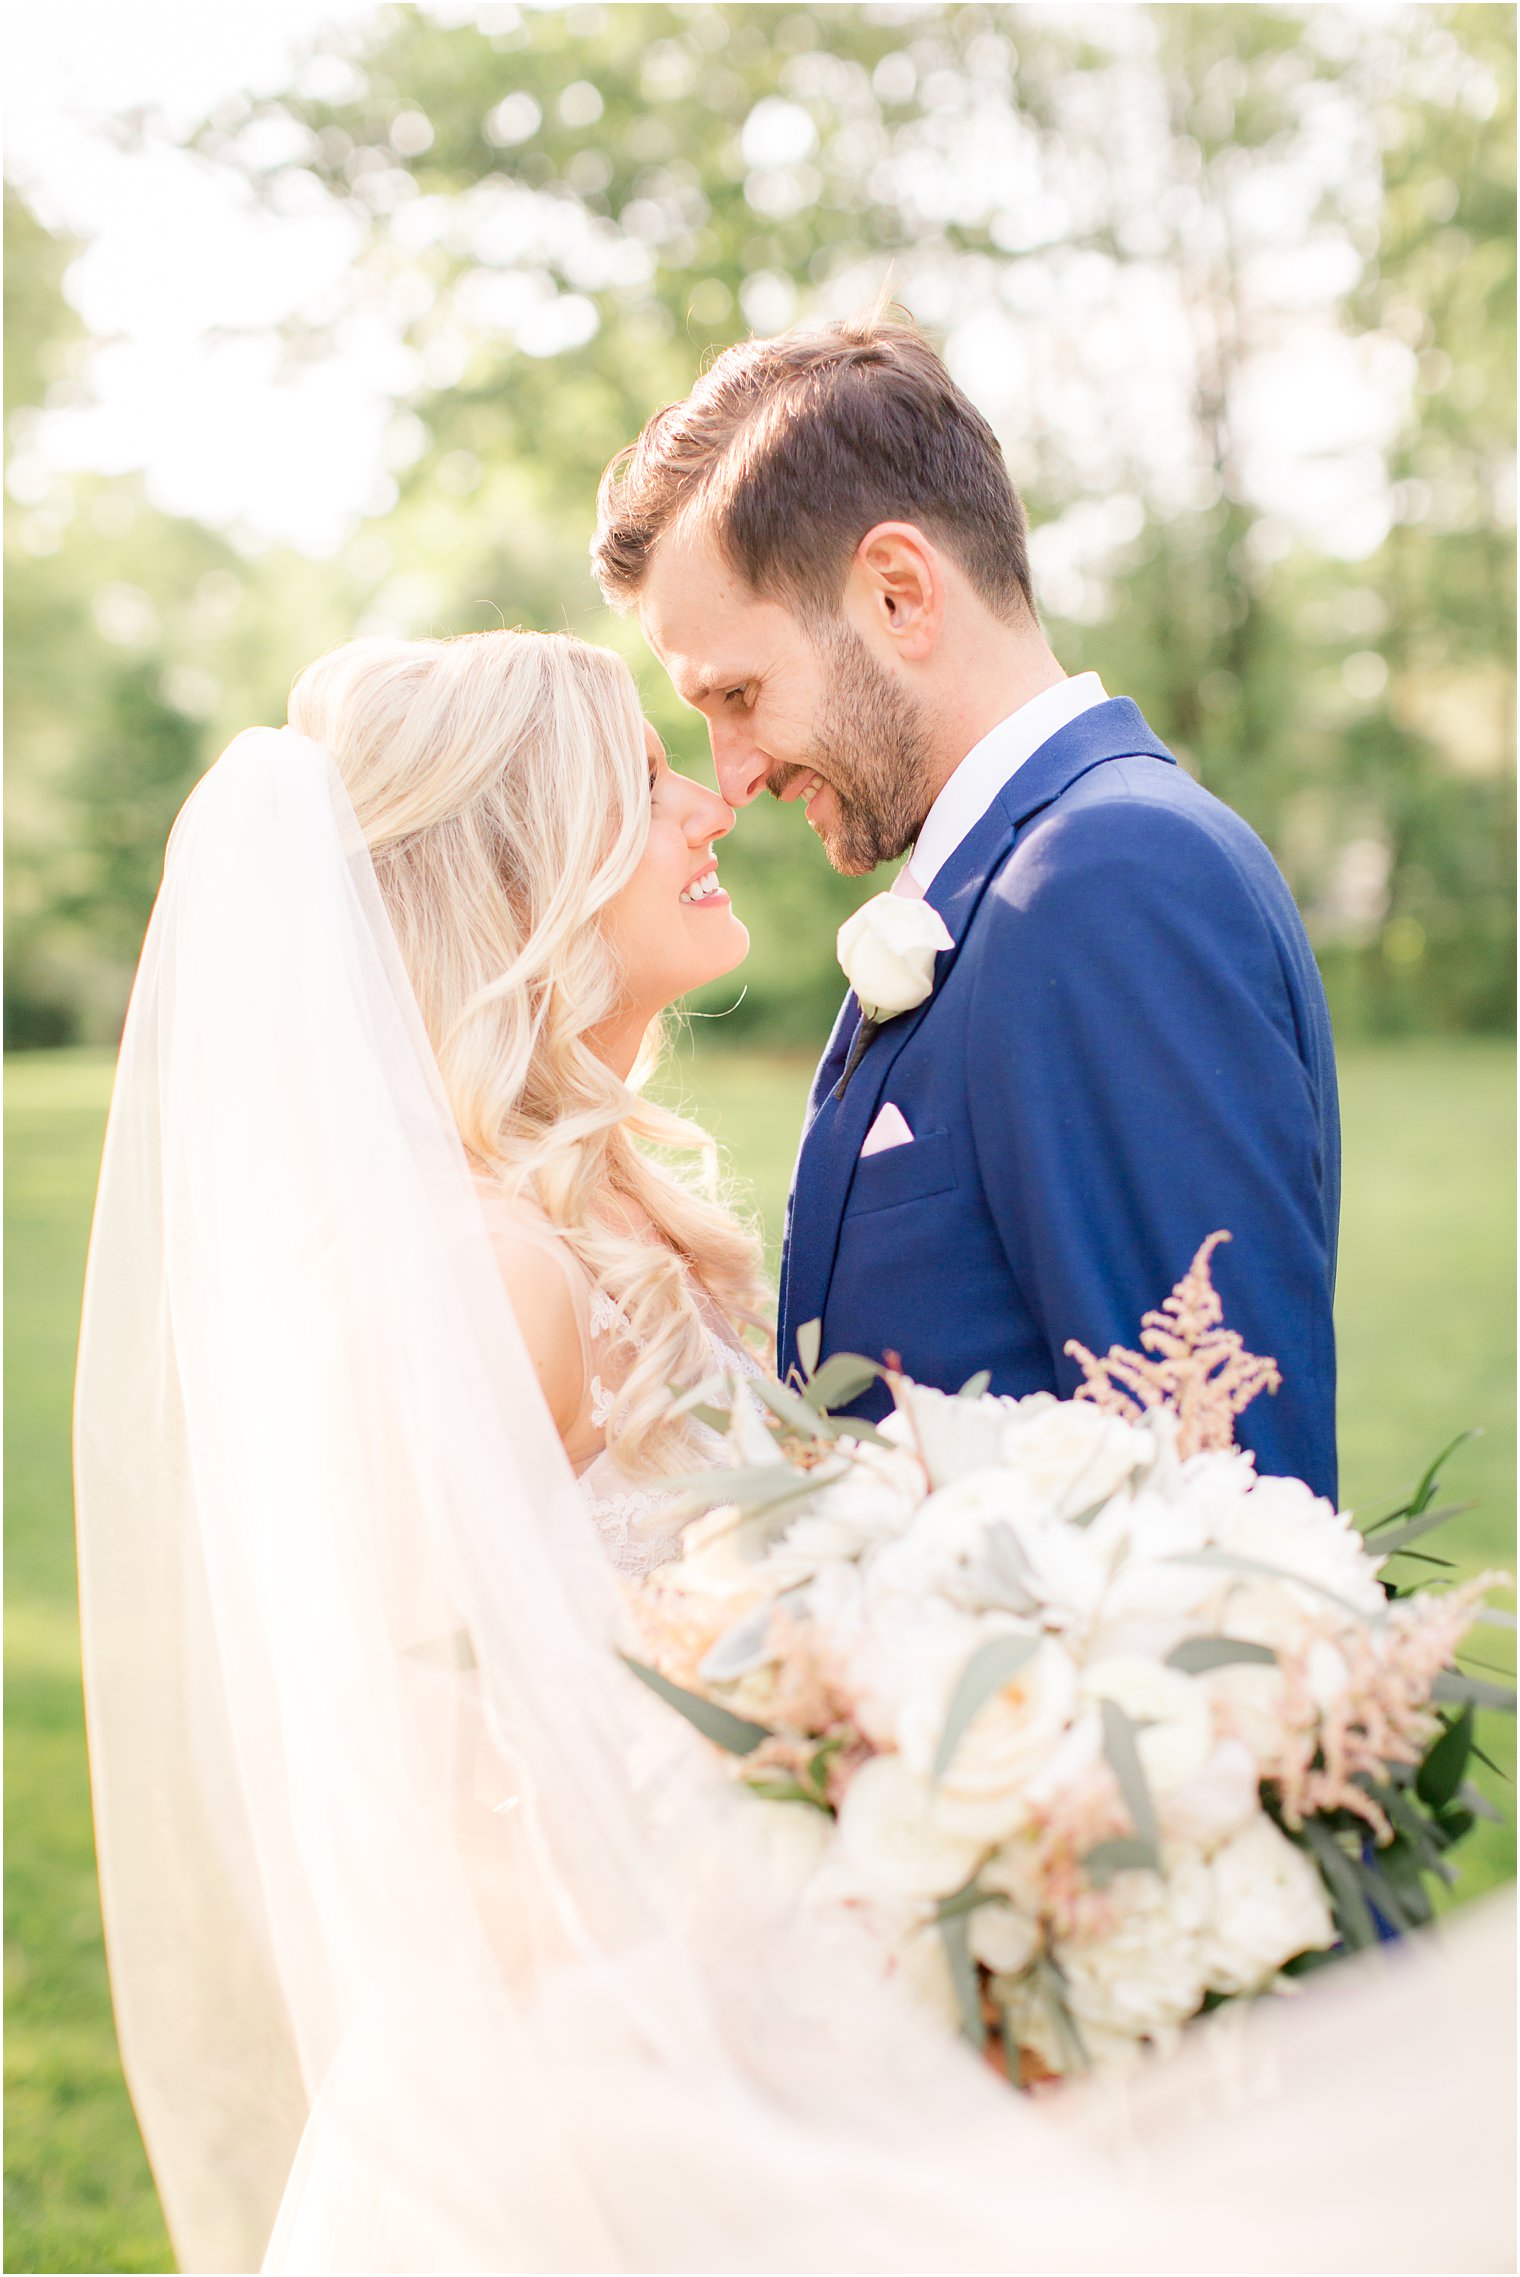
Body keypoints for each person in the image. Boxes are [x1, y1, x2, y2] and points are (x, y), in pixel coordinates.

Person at [75, 631, 1509, 2276]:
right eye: (641, 775)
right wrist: (756, 2041)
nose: (712, 801)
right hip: (588, 2125)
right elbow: (429, 1798)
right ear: (523, 859)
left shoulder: (610, 1218)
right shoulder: (486, 1268)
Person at [592, 312, 1342, 1502]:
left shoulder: (1106, 883)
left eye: (738, 693)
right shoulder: (1019, 878)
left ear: (896, 593)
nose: (732, 774)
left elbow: (1212, 1502)